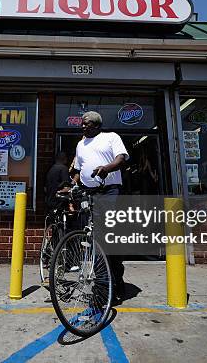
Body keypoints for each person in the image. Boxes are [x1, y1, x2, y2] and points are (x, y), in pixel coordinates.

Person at [69, 111, 129, 302]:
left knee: (105, 238)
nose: (83, 126)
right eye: (82, 124)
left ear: (97, 125)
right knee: (93, 237)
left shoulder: (110, 137)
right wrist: (72, 185)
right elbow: (79, 169)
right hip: (89, 193)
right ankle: (105, 282)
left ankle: (110, 284)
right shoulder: (80, 144)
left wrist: (106, 169)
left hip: (109, 191)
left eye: (87, 124)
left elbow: (121, 158)